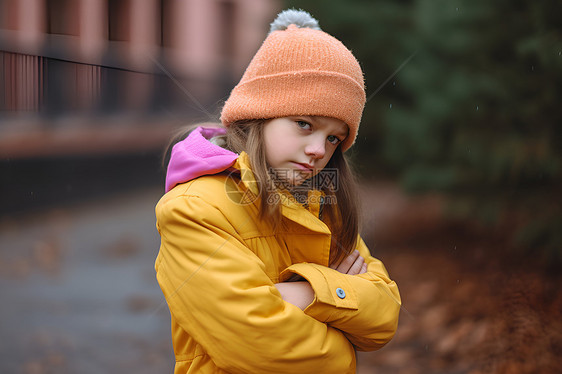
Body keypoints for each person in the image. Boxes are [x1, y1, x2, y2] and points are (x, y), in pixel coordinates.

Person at [155, 9, 401, 374]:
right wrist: (341, 312)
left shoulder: (322, 205)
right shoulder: (193, 210)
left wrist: (306, 292)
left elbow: (385, 314)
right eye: (305, 124)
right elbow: (259, 347)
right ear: (260, 114)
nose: (320, 149)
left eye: (333, 137)